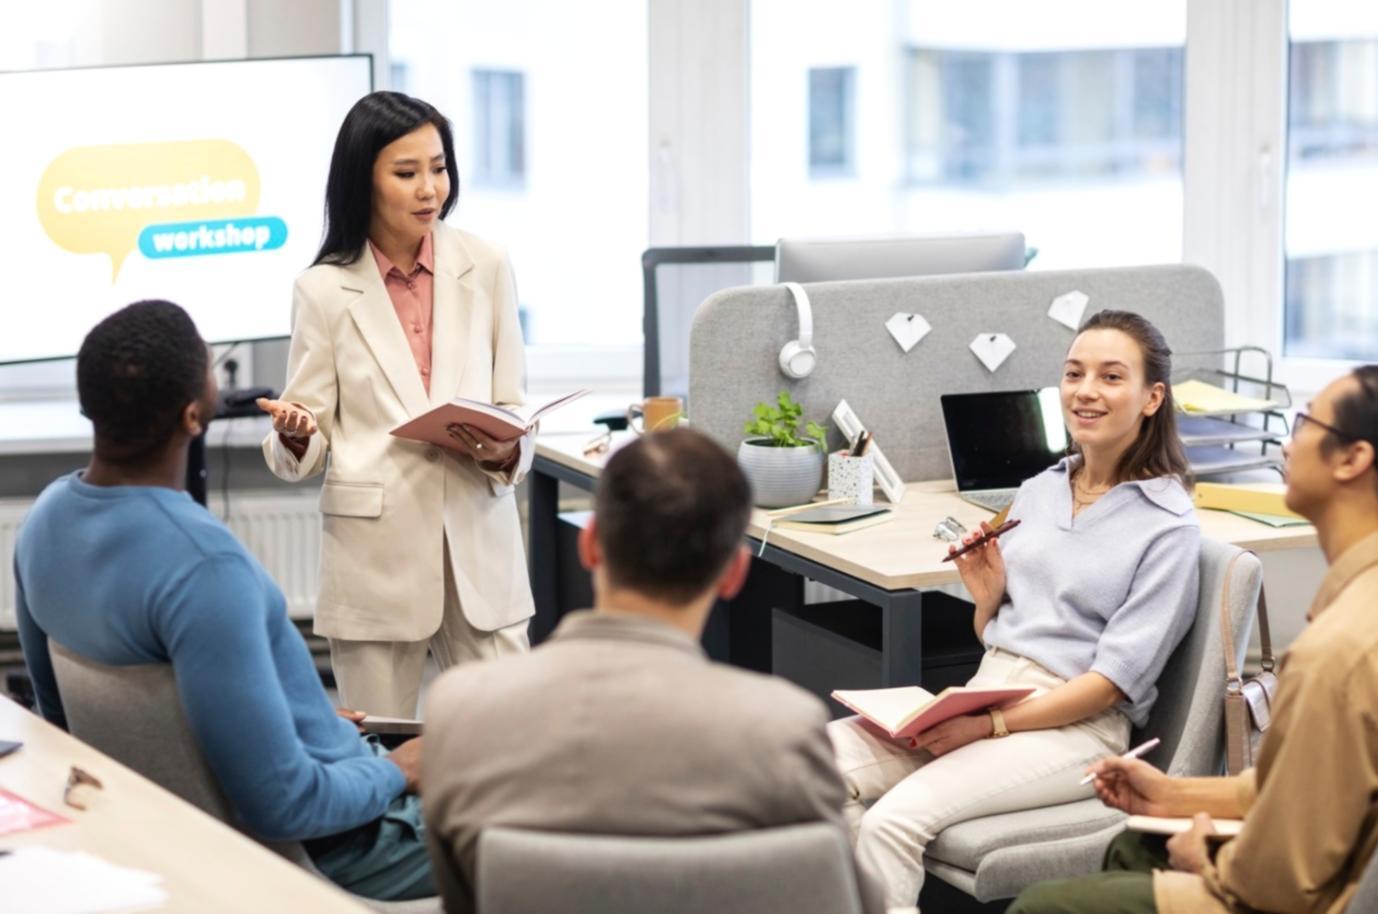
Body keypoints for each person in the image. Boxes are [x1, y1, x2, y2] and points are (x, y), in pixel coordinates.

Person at [1009, 364, 1378, 914]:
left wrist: (1204, 857)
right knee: (1137, 843)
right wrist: (1176, 796)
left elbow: (1279, 879)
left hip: (1334, 895)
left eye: (1306, 424)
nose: (1289, 441)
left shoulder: (1341, 648)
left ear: (1353, 459)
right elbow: (1317, 790)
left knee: (1044, 905)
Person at [15, 301, 435, 901]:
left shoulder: (44, 524)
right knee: (554, 803)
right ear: (194, 413)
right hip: (351, 842)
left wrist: (286, 714)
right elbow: (285, 805)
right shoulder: (205, 568)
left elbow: (65, 720)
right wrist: (400, 769)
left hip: (201, 820)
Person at [420, 429, 885, 914]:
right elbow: (845, 899)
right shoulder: (781, 725)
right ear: (735, 572)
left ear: (592, 544)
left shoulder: (462, 707)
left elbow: (464, 899)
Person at [829, 310, 1201, 906]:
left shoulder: (1167, 526)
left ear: (1152, 397)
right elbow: (1002, 636)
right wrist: (987, 601)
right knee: (809, 771)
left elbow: (1109, 685)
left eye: (1111, 377)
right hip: (989, 691)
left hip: (1073, 727)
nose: (1085, 391)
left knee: (890, 823)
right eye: (1074, 373)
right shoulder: (1041, 487)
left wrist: (987, 726)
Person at [257, 91, 534, 717]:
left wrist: (507, 445)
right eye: (406, 173)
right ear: (365, 181)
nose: (429, 189)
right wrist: (299, 434)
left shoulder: (486, 264)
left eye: (438, 168)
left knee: (514, 735)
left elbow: (513, 405)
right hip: (375, 560)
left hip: (479, 549)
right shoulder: (323, 289)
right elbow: (298, 444)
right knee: (380, 754)